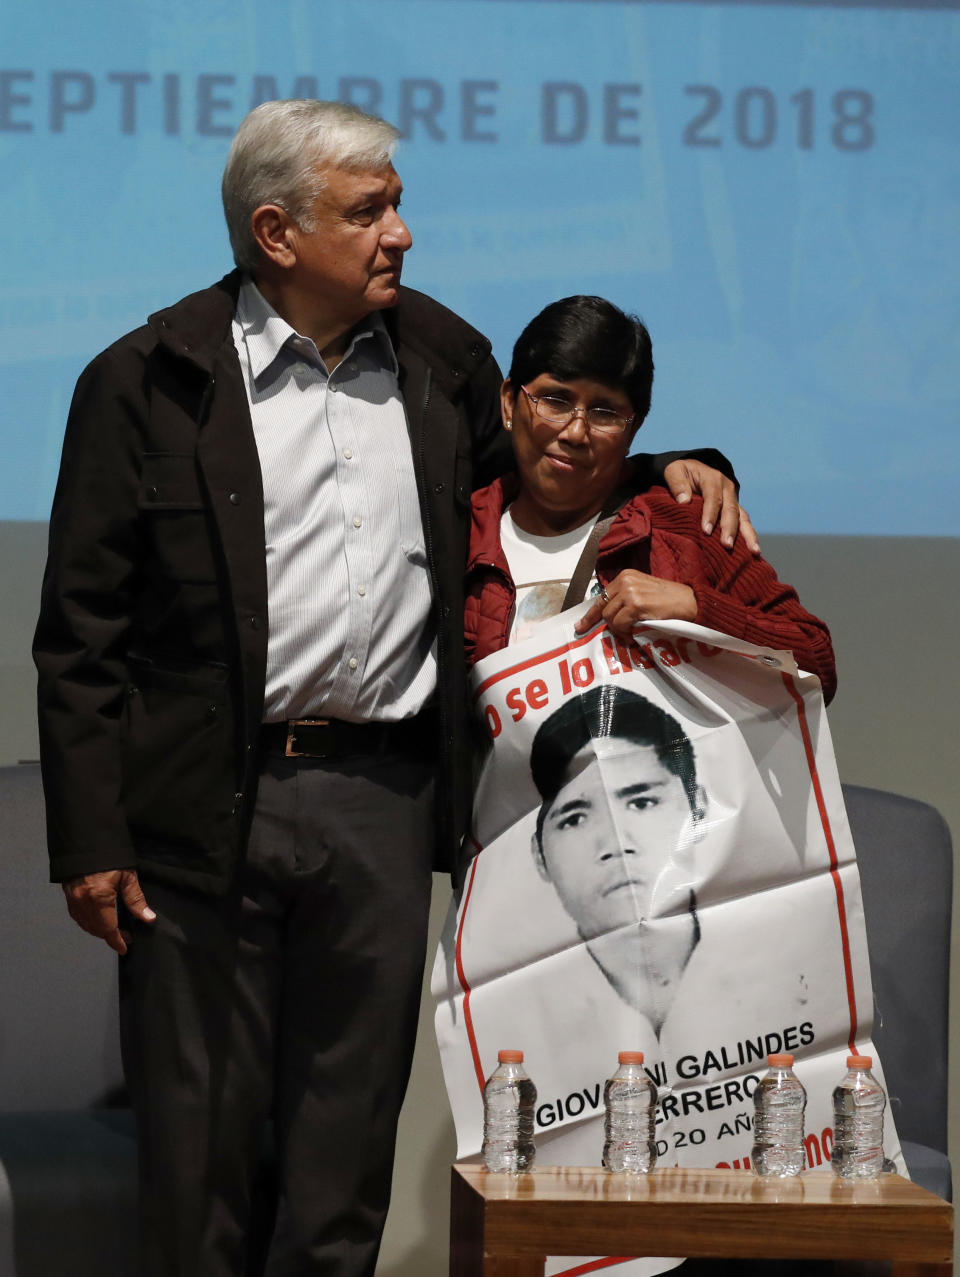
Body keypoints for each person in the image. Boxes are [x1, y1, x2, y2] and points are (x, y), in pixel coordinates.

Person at [32, 102, 747, 1277]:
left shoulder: (443, 359)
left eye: (395, 203)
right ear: (276, 232)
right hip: (199, 804)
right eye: (369, 211)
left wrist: (688, 467)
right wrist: (89, 837)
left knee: (341, 1151)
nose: (400, 234)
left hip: (380, 795)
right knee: (198, 1152)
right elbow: (80, 633)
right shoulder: (144, 382)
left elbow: (553, 479)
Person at [464, 294, 837, 705]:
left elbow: (815, 661)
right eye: (555, 401)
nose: (575, 431)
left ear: (634, 427)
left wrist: (698, 610)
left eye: (605, 413)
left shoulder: (686, 523)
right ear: (508, 403)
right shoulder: (457, 532)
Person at [529, 684, 705, 1037]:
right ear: (540, 855)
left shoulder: (790, 966)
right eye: (574, 818)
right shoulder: (519, 1018)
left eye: (642, 803)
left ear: (698, 810)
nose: (616, 843)